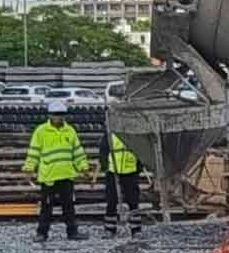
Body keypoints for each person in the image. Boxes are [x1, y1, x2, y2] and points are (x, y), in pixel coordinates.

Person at [28, 103, 93, 243]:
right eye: (56, 114)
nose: (59, 117)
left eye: (61, 114)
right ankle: (42, 233)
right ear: (50, 115)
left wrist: (83, 167)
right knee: (46, 207)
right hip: (48, 176)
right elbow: (34, 151)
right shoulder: (41, 131)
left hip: (66, 175)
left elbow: (77, 152)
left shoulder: (70, 131)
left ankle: (72, 232)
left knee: (69, 206)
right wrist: (29, 168)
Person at [102, 126, 144, 232]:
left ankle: (136, 229)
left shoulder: (134, 134)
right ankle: (110, 229)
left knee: (133, 201)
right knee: (111, 201)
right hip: (113, 171)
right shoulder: (109, 134)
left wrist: (138, 168)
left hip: (131, 172)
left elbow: (141, 152)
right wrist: (106, 167)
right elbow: (103, 152)